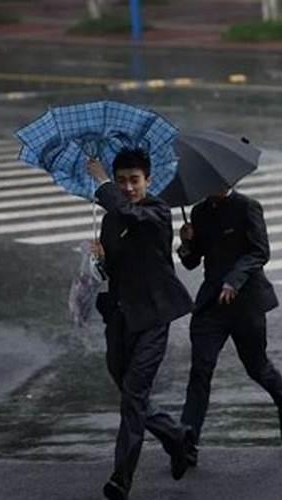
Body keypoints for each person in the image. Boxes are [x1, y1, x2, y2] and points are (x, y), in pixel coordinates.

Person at [87, 149, 196, 500]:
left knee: (133, 396)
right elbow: (112, 270)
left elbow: (130, 213)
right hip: (119, 318)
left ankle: (121, 477)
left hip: (152, 317)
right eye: (121, 181)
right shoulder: (110, 220)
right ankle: (176, 437)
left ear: (148, 181)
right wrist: (99, 262)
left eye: (134, 181)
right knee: (127, 388)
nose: (128, 187)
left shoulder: (157, 212)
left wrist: (102, 182)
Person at [177, 187, 282, 465]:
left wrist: (234, 280)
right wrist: (186, 243)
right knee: (200, 370)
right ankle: (187, 440)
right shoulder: (198, 212)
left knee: (256, 366)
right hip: (211, 306)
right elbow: (192, 262)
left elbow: (260, 252)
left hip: (247, 302)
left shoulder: (248, 207)